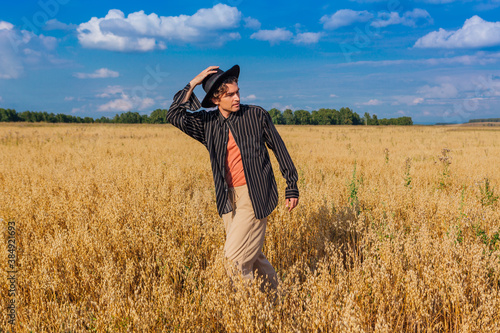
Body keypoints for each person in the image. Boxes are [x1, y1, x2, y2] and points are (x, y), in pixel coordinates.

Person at [167, 65, 299, 290]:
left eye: (238, 92)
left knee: (234, 260)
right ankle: (279, 300)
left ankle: (250, 315)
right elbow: (174, 115)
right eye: (230, 94)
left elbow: (278, 147)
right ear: (216, 99)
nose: (237, 97)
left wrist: (291, 185)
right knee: (252, 256)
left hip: (255, 195)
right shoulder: (206, 124)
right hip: (228, 200)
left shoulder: (256, 115)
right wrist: (194, 82)